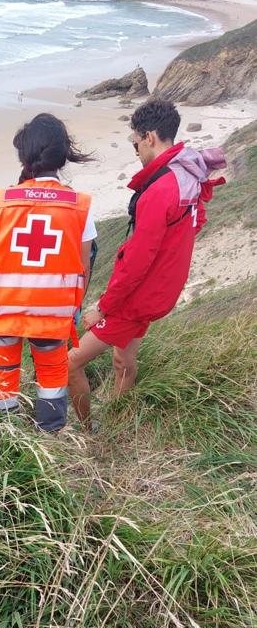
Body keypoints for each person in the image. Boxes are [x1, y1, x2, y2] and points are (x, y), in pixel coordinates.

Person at [68, 97, 226, 428]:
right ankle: (119, 421)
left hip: (136, 299)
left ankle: (91, 430)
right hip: (162, 291)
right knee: (123, 359)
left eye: (135, 142)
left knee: (70, 363)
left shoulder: (161, 189)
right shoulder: (188, 174)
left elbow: (138, 261)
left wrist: (104, 308)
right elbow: (193, 225)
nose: (136, 151)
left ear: (149, 137)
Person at [0, 113, 96, 432]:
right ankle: (50, 437)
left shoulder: (1, 202)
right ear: (62, 156)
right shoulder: (79, 205)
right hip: (52, 315)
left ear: (25, 156)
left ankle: (6, 442)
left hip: (3, 311)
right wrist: (69, 308)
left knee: (2, 380)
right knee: (51, 378)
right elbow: (83, 268)